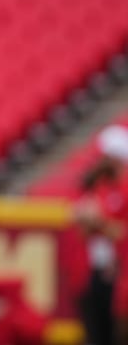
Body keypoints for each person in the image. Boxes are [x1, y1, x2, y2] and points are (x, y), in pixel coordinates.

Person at [73, 124, 128, 345]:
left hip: (119, 270)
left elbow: (121, 232)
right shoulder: (100, 187)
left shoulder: (123, 188)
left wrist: (98, 222)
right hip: (96, 268)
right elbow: (85, 230)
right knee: (96, 329)